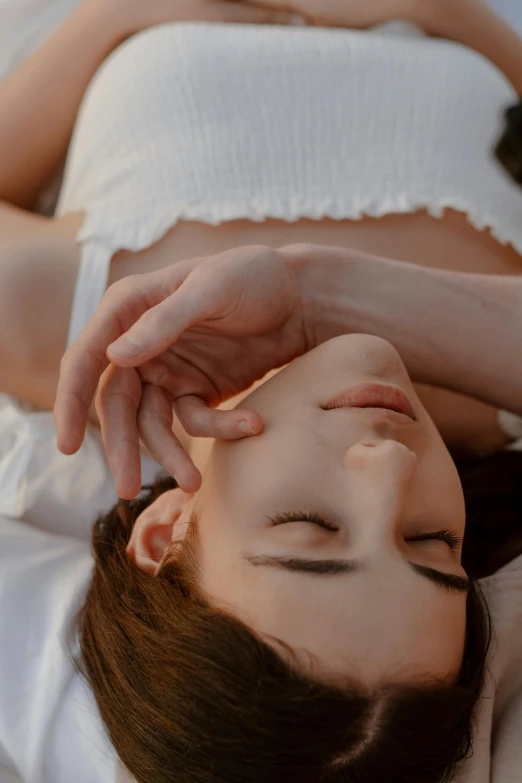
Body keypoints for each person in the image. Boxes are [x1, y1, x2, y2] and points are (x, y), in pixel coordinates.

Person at [1, 0, 522, 781]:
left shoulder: (80, 331)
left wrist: (124, 11)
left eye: (310, 526)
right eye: (431, 543)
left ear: (166, 533)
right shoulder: (498, 374)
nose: (389, 465)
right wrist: (441, 11)